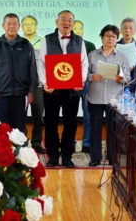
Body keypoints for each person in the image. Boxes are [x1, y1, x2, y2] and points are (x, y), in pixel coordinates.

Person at [38, 10, 88, 167]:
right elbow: (41, 63)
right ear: (56, 22)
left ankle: (67, 155)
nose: (66, 22)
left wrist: (81, 80)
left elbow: (84, 64)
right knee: (51, 122)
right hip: (52, 90)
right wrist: (45, 82)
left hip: (72, 90)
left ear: (73, 23)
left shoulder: (80, 41)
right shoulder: (47, 40)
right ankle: (53, 155)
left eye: (70, 20)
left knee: (71, 123)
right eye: (63, 19)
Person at [0, 13, 37, 132]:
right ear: (3, 26)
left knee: (19, 129)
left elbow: (32, 69)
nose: (11, 26)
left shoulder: (26, 45)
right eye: (8, 24)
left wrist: (31, 91)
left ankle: (20, 151)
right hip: (0, 95)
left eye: (15, 24)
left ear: (19, 26)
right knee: (2, 129)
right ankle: (4, 151)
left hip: (20, 95)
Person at [86, 25, 131, 167]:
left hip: (114, 99)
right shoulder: (92, 55)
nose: (110, 39)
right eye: (107, 36)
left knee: (113, 130)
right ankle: (95, 157)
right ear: (102, 37)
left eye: (113, 36)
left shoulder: (122, 57)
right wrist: (93, 76)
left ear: (117, 39)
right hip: (95, 97)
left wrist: (121, 78)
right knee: (95, 129)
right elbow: (83, 75)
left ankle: (112, 157)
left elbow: (129, 77)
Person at [21, 15, 46, 153]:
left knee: (39, 116)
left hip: (37, 85)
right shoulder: (18, 42)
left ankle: (37, 142)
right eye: (25, 24)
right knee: (21, 116)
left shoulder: (43, 42)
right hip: (21, 86)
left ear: (36, 26)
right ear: (21, 26)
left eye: (31, 24)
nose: (28, 26)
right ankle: (23, 143)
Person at [73, 19, 96, 154]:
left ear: (83, 30)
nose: (77, 31)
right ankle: (71, 142)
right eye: (74, 28)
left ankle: (87, 143)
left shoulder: (90, 45)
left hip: (87, 83)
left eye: (79, 28)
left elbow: (93, 65)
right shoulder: (67, 43)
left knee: (88, 115)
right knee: (71, 115)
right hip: (71, 84)